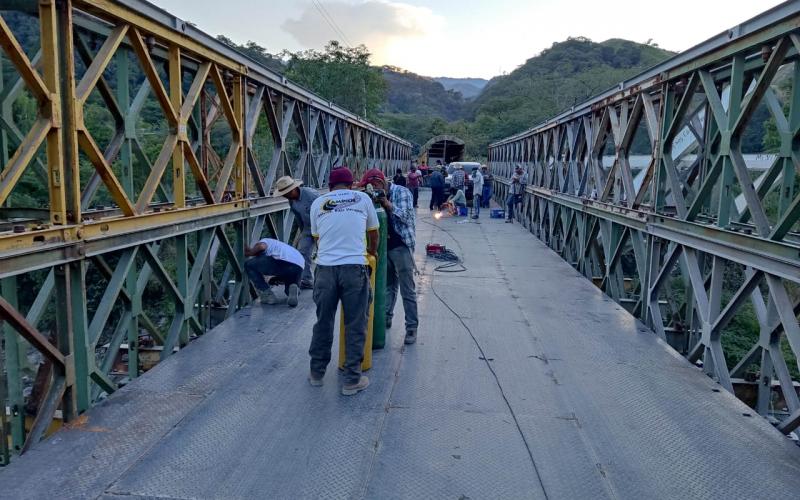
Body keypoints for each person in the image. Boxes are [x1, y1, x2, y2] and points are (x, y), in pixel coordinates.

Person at [308, 167, 378, 396]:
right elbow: (374, 232)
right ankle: (351, 380)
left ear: (330, 186)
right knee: (356, 324)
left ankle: (317, 373)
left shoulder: (318, 203)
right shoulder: (363, 197)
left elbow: (318, 239)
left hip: (325, 270)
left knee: (323, 322)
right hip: (353, 269)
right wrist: (372, 252)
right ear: (351, 185)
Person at [358, 168, 419, 345]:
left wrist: (387, 203)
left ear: (380, 182)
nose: (373, 190)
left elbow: (407, 217)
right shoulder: (369, 195)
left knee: (407, 289)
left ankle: (411, 328)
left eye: (373, 186)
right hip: (384, 247)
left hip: (400, 246)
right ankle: (386, 317)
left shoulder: (402, 192)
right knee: (388, 285)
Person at [274, 175, 319, 289]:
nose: (285, 196)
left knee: (325, 254)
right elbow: (298, 217)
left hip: (322, 228)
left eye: (287, 193)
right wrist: (303, 231)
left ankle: (328, 281)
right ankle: (307, 279)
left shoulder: (312, 196)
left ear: (294, 188)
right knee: (302, 252)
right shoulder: (291, 201)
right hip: (308, 228)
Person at [244, 237, 305, 307]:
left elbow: (261, 246)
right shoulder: (282, 246)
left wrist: (250, 252)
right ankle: (294, 288)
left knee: (249, 265)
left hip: (280, 260)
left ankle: (267, 295)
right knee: (289, 290)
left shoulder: (265, 241)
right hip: (299, 265)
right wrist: (276, 278)